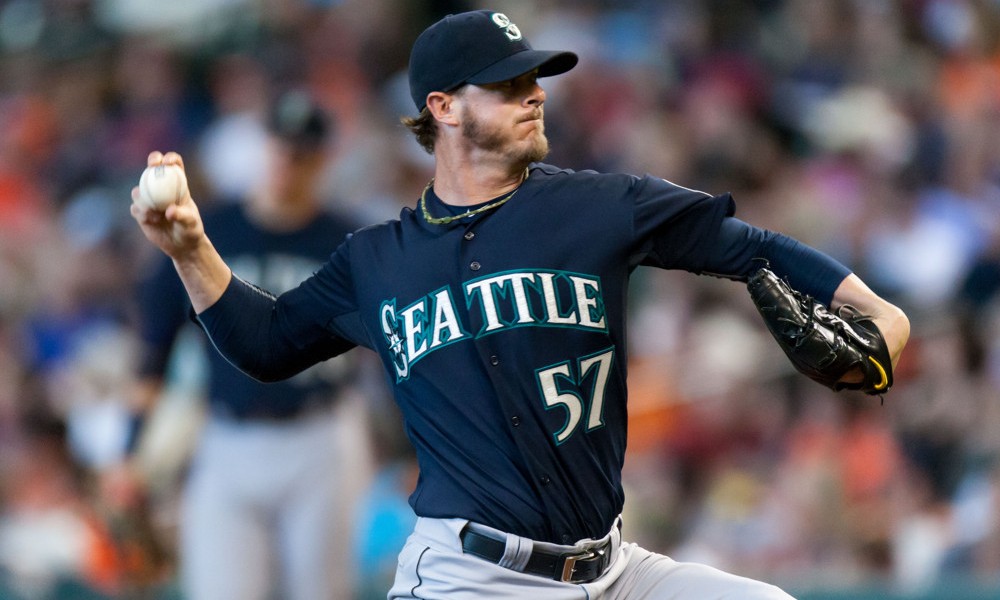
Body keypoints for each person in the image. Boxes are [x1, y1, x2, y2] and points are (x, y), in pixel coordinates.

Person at [128, 10, 910, 599]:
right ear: (443, 108)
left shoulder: (599, 207)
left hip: (617, 572)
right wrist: (191, 251)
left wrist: (877, 307)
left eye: (534, 79)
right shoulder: (375, 262)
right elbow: (264, 345)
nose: (535, 95)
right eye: (507, 85)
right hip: (472, 577)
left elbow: (750, 246)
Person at [124, 90, 369, 600]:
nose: (288, 163)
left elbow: (393, 350)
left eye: (301, 152)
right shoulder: (208, 230)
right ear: (265, 145)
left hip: (320, 436)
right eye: (282, 147)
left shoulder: (348, 240)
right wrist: (131, 451)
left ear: (324, 158)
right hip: (228, 438)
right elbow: (154, 351)